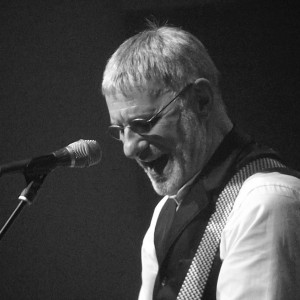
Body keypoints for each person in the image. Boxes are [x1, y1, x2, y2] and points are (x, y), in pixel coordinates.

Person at [101, 24, 300, 300]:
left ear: (201, 101)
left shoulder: (265, 203)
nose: (128, 148)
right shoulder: (165, 213)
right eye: (119, 130)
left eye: (142, 123)